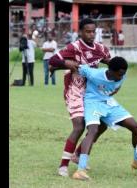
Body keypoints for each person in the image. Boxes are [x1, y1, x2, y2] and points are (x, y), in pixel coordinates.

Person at [49, 18, 111, 177]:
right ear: (80, 32)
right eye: (87, 31)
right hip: (74, 91)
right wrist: (67, 64)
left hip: (91, 93)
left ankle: (77, 154)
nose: (91, 35)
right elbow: (53, 60)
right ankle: (63, 166)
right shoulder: (74, 47)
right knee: (79, 126)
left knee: (102, 124)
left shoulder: (100, 49)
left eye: (93, 32)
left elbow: (109, 62)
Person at [72, 56, 137, 180]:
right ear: (110, 70)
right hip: (93, 103)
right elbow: (75, 66)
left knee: (136, 127)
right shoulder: (93, 74)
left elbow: (117, 85)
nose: (121, 77)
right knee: (93, 131)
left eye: (123, 74)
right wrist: (55, 65)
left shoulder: (121, 74)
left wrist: (114, 91)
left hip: (109, 103)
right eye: (119, 74)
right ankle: (80, 170)